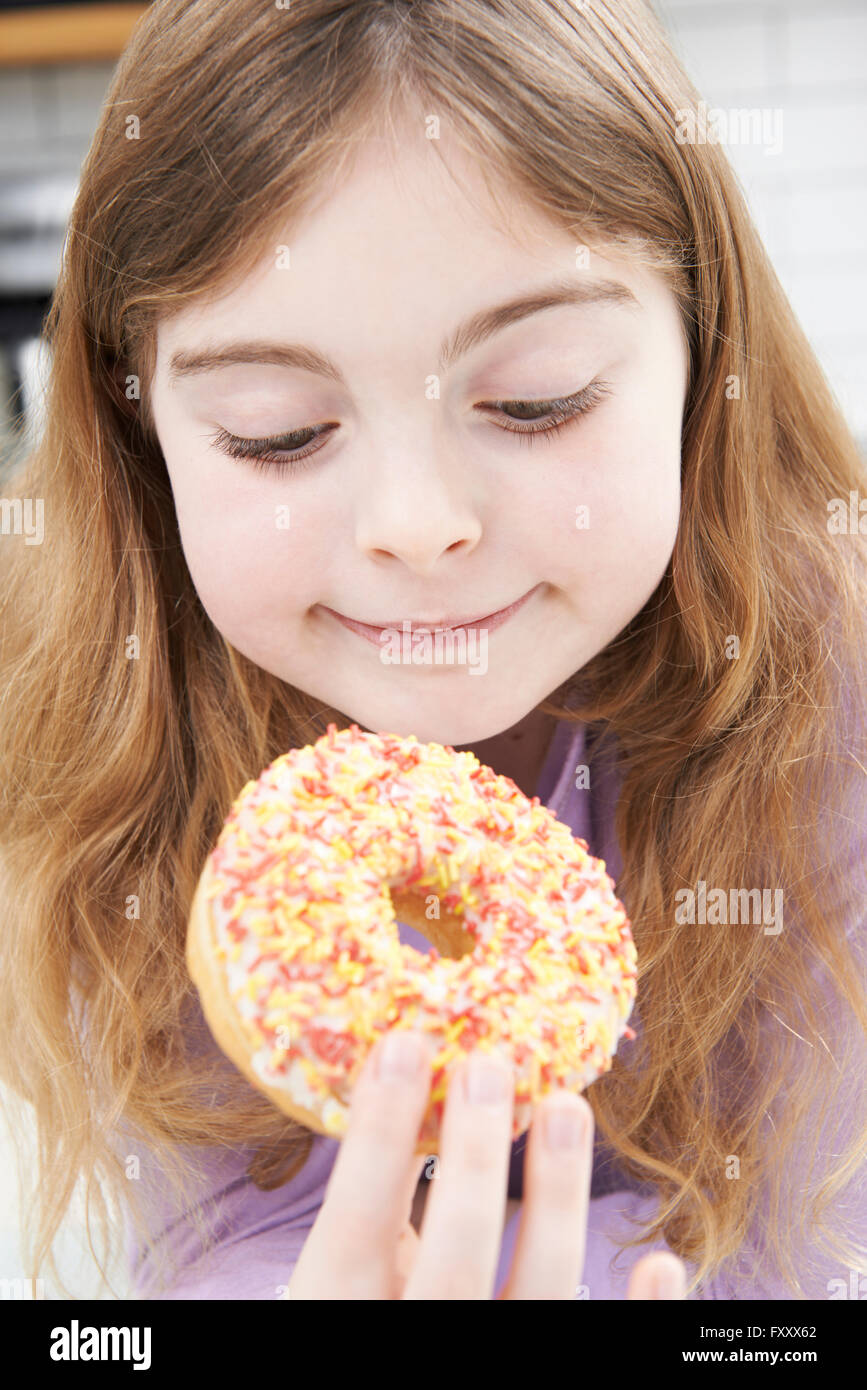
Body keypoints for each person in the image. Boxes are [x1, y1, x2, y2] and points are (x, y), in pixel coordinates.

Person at [1, 0, 864, 1301]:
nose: (418, 527)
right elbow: (210, 1224)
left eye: (538, 400)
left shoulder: (827, 687)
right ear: (142, 442)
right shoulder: (98, 730)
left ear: (703, 363)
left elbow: (815, 1226)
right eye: (277, 431)